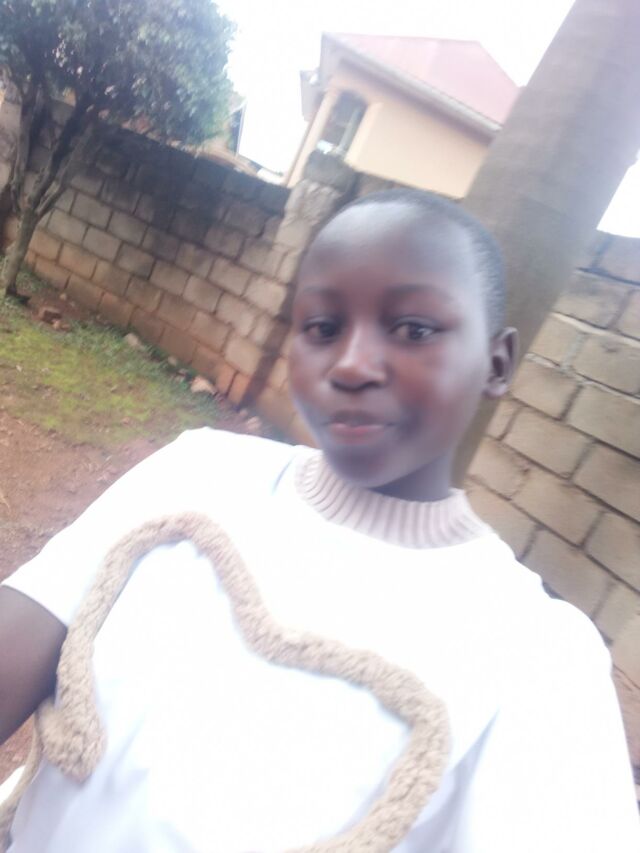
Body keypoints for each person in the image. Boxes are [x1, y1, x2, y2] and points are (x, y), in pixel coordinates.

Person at [0, 189, 638, 852]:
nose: (352, 364)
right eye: (323, 327)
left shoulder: (535, 656)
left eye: (414, 329)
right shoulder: (197, 474)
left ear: (496, 364)